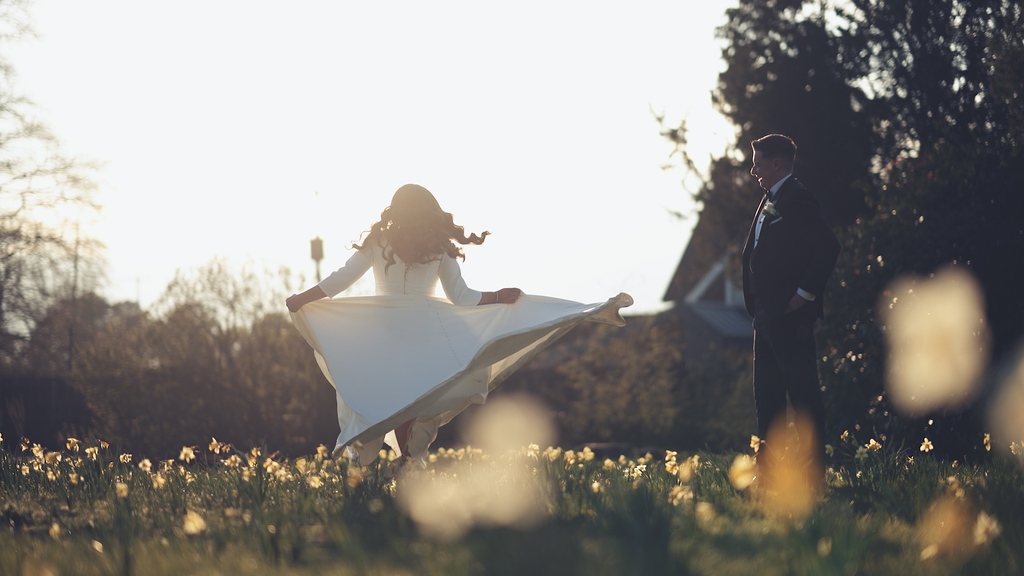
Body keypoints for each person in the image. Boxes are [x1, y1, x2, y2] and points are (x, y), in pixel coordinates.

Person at [287, 184, 632, 465]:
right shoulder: (439, 248)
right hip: (421, 334)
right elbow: (463, 298)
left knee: (380, 396)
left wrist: (303, 297)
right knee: (419, 396)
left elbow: (341, 279)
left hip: (386, 333)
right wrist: (498, 296)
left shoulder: (383, 243)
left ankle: (370, 465)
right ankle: (407, 453)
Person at [741, 135, 840, 480]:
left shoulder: (797, 198)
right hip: (766, 317)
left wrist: (803, 296)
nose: (753, 169)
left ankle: (813, 474)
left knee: (802, 396)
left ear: (777, 163)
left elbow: (828, 247)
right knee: (767, 398)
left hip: (791, 316)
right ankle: (767, 472)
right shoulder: (770, 198)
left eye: (758, 161)